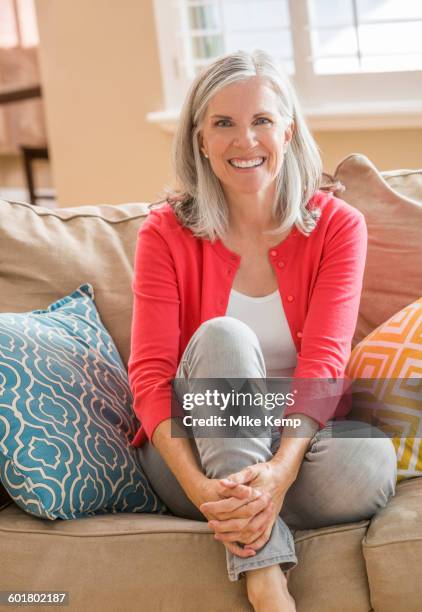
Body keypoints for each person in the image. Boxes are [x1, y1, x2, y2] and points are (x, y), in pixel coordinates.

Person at [127, 49, 397, 611]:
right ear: (201, 139)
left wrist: (277, 472)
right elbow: (151, 375)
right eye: (223, 123)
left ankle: (241, 510)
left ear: (288, 131)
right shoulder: (164, 233)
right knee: (224, 336)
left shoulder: (338, 227)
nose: (244, 140)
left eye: (261, 121)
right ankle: (266, 577)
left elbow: (324, 361)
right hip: (192, 451)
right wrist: (203, 486)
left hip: (296, 446)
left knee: (369, 463)